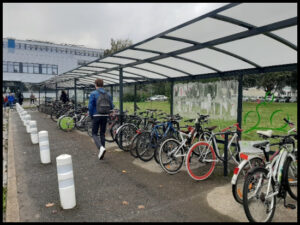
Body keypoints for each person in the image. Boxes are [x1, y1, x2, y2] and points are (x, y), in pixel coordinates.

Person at [88, 78, 114, 160]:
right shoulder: (108, 94)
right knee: (102, 133)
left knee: (94, 133)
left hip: (96, 115)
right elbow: (112, 106)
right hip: (105, 115)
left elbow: (90, 106)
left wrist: (91, 115)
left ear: (96, 85)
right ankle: (102, 153)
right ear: (102, 85)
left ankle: (101, 148)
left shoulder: (93, 93)